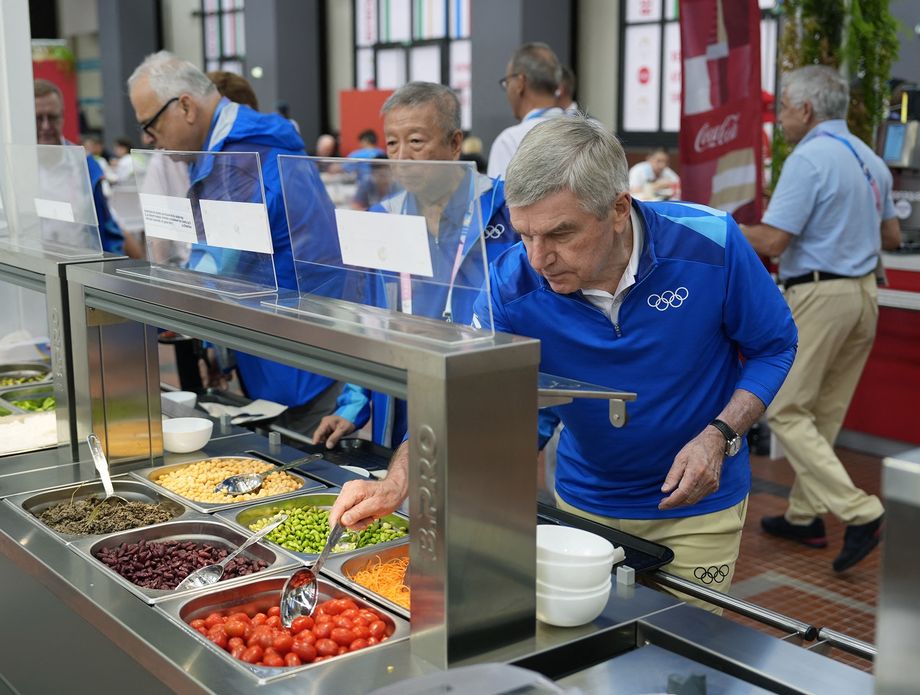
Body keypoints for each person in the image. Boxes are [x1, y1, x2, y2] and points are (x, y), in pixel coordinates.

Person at [330, 116, 797, 605]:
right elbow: (461, 392)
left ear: (619, 209)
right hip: (582, 504)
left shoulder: (711, 242)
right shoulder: (509, 284)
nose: (538, 258)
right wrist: (399, 480)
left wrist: (720, 435)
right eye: (525, 235)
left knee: (682, 662)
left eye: (559, 234)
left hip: (700, 508)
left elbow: (775, 345)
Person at [128, 51, 340, 434]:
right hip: (278, 341)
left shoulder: (241, 157)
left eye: (151, 125)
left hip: (300, 351)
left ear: (186, 107)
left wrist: (156, 303)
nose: (149, 139)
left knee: (305, 464)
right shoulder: (227, 150)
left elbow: (218, 264)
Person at [741, 65, 901, 573]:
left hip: (819, 294)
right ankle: (805, 515)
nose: (781, 117)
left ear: (806, 109)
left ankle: (863, 512)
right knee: (824, 413)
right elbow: (893, 238)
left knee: (784, 407)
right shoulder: (871, 159)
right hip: (864, 296)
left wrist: (717, 223)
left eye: (784, 107)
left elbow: (771, 241)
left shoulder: (809, 158)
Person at [313, 82, 518, 450]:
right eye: (392, 143)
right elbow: (369, 319)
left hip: (483, 391)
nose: (402, 157)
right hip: (404, 393)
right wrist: (353, 403)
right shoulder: (383, 217)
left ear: (455, 144)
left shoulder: (505, 210)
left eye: (417, 142)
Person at [34, 79, 142, 258]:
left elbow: (108, 223)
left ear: (62, 116)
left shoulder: (84, 165)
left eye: (52, 117)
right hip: (30, 270)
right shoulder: (16, 167)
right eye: (38, 118)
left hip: (80, 268)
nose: (46, 126)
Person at [487, 42, 565, 180]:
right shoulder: (593, 131)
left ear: (520, 83)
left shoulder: (510, 141)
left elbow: (499, 200)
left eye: (507, 82)